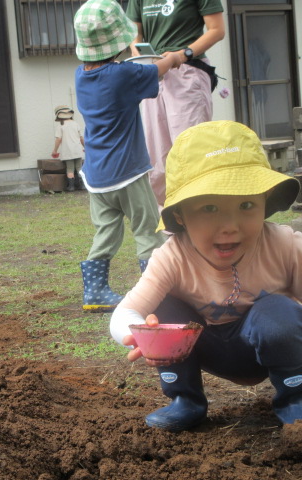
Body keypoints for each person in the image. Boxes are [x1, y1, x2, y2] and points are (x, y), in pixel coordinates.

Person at [110, 120, 302, 436]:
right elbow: (126, 311)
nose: (230, 224)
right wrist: (139, 335)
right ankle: (185, 400)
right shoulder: (172, 256)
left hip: (264, 344)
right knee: (161, 309)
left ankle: (298, 400)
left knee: (280, 312)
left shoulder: (283, 245)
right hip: (201, 345)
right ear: (179, 214)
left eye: (246, 204)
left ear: (265, 201)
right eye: (209, 207)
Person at [73, 0, 183, 311]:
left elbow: (130, 73)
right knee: (148, 230)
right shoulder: (124, 76)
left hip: (96, 176)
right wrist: (173, 58)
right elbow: (157, 70)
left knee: (106, 231)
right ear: (118, 42)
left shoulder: (81, 75)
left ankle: (94, 292)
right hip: (129, 174)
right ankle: (158, 294)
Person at [127, 0, 225, 209]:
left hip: (187, 70)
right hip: (153, 73)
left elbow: (217, 30)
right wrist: (140, 55)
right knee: (156, 154)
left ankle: (200, 215)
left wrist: (182, 54)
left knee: (190, 149)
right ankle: (167, 224)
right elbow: (133, 33)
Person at [51, 105, 85, 192]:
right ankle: (82, 185)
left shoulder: (60, 126)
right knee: (79, 168)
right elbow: (81, 138)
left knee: (70, 168)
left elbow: (58, 139)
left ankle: (71, 186)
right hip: (77, 150)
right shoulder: (76, 124)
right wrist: (85, 147)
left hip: (68, 151)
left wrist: (55, 150)